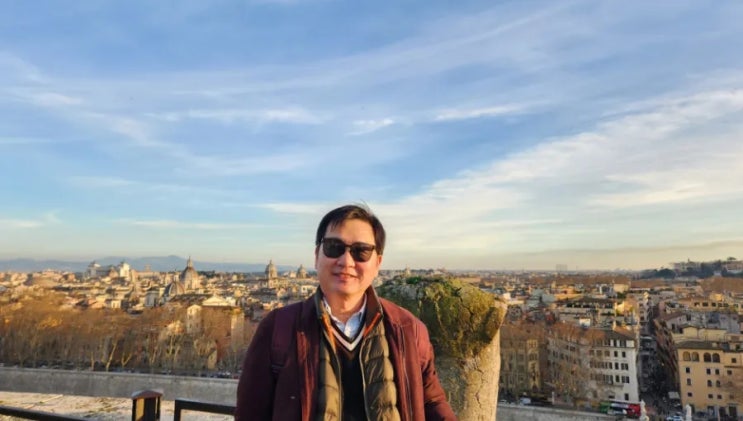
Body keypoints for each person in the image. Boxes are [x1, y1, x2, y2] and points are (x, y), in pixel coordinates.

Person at [236, 204, 456, 420]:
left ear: (378, 263)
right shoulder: (277, 328)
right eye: (334, 247)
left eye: (361, 251)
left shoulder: (408, 329)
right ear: (317, 255)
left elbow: (432, 402)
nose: (346, 261)